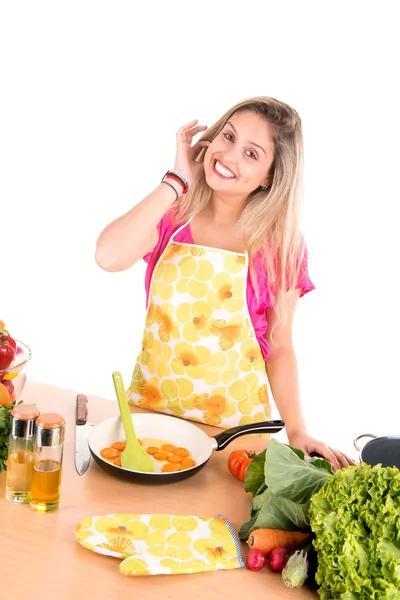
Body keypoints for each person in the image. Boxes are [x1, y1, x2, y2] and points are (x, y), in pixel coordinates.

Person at [95, 96, 354, 471]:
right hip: (149, 422)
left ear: (269, 176)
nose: (229, 155)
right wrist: (177, 180)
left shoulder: (280, 247)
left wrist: (297, 430)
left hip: (235, 441)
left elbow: (280, 348)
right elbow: (108, 255)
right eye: (228, 137)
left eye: (251, 153)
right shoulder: (172, 217)